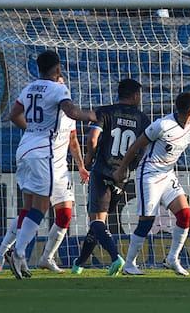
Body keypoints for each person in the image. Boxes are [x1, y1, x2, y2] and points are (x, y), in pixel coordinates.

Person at [114, 91, 190, 275]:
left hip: (168, 175)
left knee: (185, 215)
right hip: (149, 175)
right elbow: (136, 146)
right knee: (147, 221)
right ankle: (129, 264)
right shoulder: (162, 125)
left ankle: (172, 259)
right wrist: (122, 169)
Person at [3, 50, 96, 279]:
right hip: (44, 153)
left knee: (30, 207)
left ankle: (20, 257)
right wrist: (95, 115)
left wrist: (33, 130)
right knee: (41, 207)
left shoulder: (29, 88)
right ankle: (18, 252)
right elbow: (71, 111)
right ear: (58, 68)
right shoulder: (58, 88)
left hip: (25, 149)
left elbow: (14, 115)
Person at [70, 78, 147, 275]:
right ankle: (78, 264)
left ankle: (115, 257)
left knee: (97, 221)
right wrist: (131, 165)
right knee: (99, 223)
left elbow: (93, 139)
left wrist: (88, 157)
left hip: (103, 171)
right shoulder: (142, 119)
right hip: (122, 176)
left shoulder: (105, 111)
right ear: (136, 95)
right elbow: (144, 148)